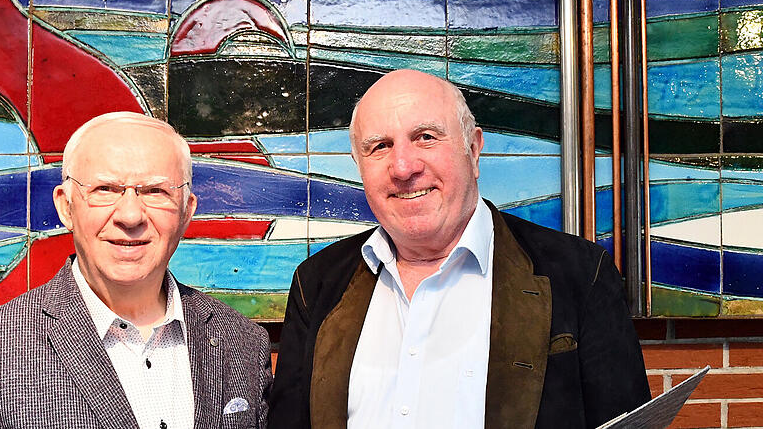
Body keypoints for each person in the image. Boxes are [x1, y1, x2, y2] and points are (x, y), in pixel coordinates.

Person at [268, 70, 649, 429]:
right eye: (380, 147)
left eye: (425, 137)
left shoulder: (580, 273)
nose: (403, 167)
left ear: (474, 148)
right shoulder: (316, 283)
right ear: (358, 165)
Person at [0, 112, 271, 429]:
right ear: (66, 207)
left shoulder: (242, 342)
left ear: (186, 211)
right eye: (105, 190)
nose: (130, 216)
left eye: (155, 191)